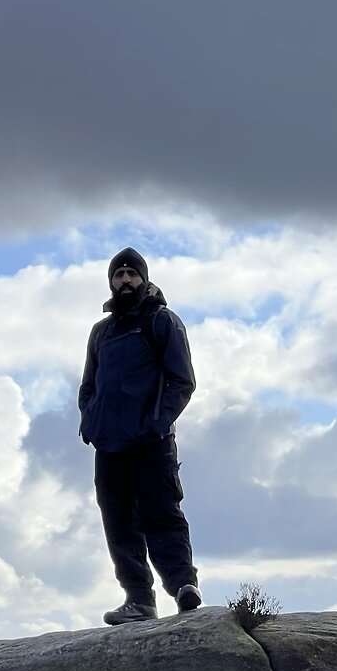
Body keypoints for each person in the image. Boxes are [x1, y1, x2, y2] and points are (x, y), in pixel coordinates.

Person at [79, 247, 201, 625]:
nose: (126, 281)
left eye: (132, 274)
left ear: (144, 279)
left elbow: (183, 381)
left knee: (161, 514)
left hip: (151, 442)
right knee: (118, 524)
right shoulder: (101, 332)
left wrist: (157, 423)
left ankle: (183, 586)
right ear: (111, 282)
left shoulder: (161, 321)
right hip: (110, 445)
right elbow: (88, 387)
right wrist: (92, 424)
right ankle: (138, 601)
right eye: (119, 275)